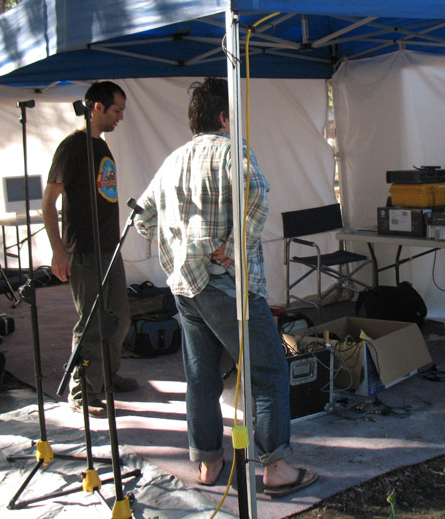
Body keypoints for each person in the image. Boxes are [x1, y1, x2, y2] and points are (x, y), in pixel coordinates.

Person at [134, 77, 318, 497]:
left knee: (201, 377)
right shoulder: (232, 151)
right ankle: (276, 470)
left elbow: (143, 216)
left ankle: (207, 461)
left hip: (185, 288)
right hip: (228, 288)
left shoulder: (172, 161)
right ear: (222, 116)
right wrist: (233, 246)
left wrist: (176, 249)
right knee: (269, 372)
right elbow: (257, 193)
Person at [42, 81, 139, 418]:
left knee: (120, 318)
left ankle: (107, 377)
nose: (120, 118)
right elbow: (48, 201)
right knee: (92, 321)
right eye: (116, 111)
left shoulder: (103, 148)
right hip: (83, 250)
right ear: (96, 107)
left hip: (110, 247)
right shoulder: (71, 148)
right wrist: (58, 251)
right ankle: (82, 391)